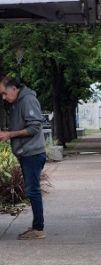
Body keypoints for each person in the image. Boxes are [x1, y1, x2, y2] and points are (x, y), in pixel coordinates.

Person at [0, 75, 47, 239]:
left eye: (4, 93)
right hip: (27, 153)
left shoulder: (27, 100)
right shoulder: (18, 102)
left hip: (32, 153)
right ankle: (37, 227)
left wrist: (10, 134)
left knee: (33, 191)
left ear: (14, 89)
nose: (3, 98)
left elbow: (34, 127)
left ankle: (38, 229)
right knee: (32, 190)